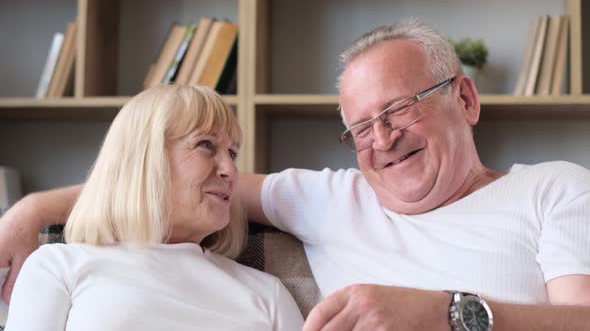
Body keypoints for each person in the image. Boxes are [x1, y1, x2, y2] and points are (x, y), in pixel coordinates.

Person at [1, 19, 590, 331]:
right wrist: (31, 211)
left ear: (464, 98)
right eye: (361, 127)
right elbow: (168, 183)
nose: (382, 140)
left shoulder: (554, 189)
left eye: (399, 109)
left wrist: (447, 314)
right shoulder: (333, 198)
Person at [2, 85, 303, 330]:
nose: (230, 170)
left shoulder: (268, 294)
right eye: (206, 145)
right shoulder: (59, 266)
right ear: (144, 159)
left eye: (232, 153)